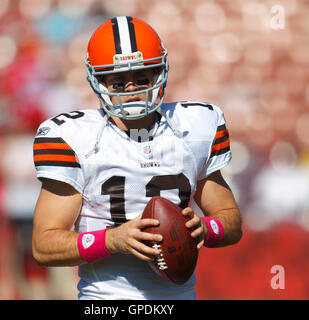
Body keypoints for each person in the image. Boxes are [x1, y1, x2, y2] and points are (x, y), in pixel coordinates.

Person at [32, 16, 242, 300]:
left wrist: (206, 228)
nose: (132, 89)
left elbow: (231, 223)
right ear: (98, 80)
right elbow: (43, 246)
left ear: (160, 73)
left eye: (142, 78)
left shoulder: (194, 127)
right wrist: (113, 240)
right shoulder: (75, 137)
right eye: (118, 81)